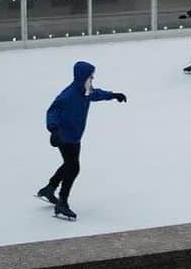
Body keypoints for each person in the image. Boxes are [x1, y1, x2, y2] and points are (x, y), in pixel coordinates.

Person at [38, 61, 127, 221]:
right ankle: (62, 202)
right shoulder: (68, 95)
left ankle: (49, 188)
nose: (92, 79)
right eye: (90, 77)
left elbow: (97, 94)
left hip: (75, 136)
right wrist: (54, 130)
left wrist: (113, 95)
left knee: (69, 164)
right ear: (82, 78)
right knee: (73, 167)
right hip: (64, 137)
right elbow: (52, 111)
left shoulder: (85, 92)